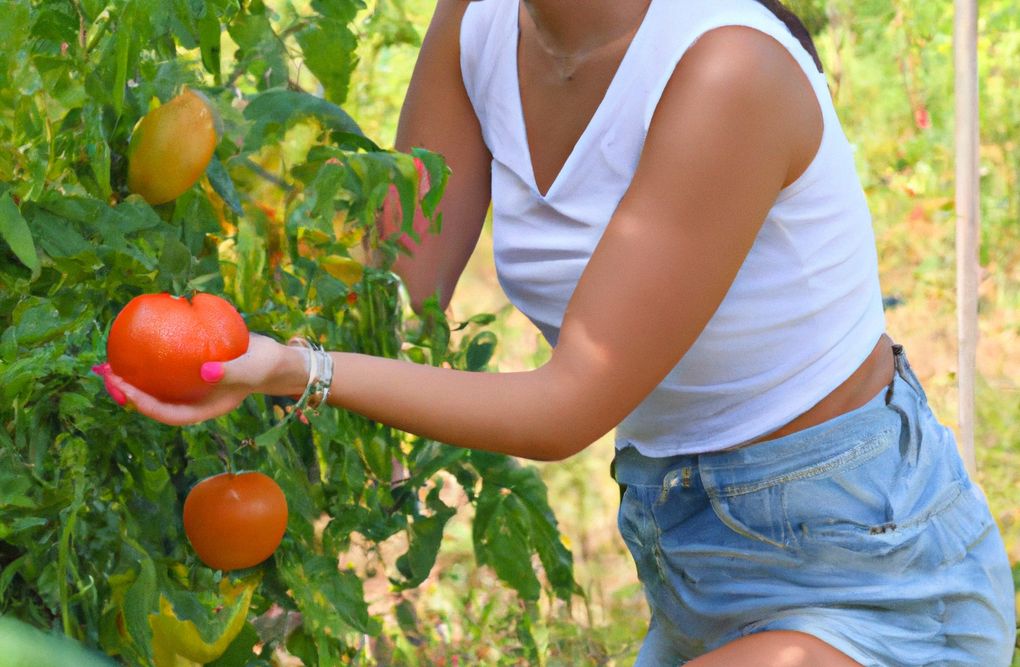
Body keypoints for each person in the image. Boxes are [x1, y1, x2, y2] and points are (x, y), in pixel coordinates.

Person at [99, 0, 1016, 664]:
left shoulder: (727, 67)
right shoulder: (479, 27)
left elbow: (564, 405)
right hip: (692, 557)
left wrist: (293, 368)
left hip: (867, 572)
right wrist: (212, 285)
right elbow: (391, 300)